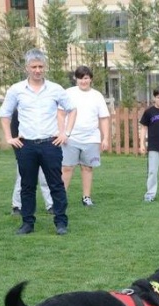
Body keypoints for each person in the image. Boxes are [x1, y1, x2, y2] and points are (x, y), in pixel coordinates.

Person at [0, 49, 77, 235]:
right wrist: (9, 137)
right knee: (27, 185)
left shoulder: (55, 89)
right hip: (26, 145)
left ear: (45, 67)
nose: (37, 70)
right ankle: (27, 223)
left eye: (41, 66)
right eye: (34, 66)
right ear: (27, 68)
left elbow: (72, 109)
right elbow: (4, 113)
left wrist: (66, 132)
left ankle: (60, 222)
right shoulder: (16, 90)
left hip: (51, 144)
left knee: (56, 184)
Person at [62, 66, 110, 207]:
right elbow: (60, 114)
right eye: (80, 78)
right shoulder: (68, 93)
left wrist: (105, 137)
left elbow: (104, 118)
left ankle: (86, 197)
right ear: (75, 79)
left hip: (91, 138)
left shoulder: (97, 96)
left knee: (87, 167)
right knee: (66, 168)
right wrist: (62, 133)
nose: (83, 81)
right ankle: (60, 198)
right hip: (70, 137)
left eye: (86, 78)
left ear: (90, 79)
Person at [9, 110, 53, 215]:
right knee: (22, 179)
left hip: (44, 150)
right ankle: (17, 206)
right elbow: (14, 133)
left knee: (46, 179)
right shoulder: (18, 111)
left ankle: (51, 205)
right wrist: (18, 153)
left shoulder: (46, 110)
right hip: (25, 151)